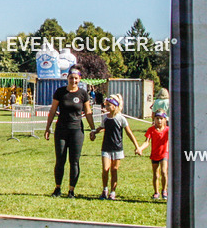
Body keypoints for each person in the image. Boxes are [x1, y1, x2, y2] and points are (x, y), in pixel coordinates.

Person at [44, 65, 97, 198]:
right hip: (61, 130)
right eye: (71, 78)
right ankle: (57, 188)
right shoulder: (60, 92)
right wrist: (47, 127)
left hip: (76, 131)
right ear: (67, 78)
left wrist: (92, 128)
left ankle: (71, 190)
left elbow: (88, 112)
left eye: (76, 78)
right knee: (60, 160)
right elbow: (52, 111)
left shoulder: (83, 93)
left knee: (74, 161)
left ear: (79, 79)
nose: (73, 81)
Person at [90, 93, 142, 199]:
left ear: (114, 106)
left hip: (117, 148)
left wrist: (137, 146)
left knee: (114, 169)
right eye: (106, 105)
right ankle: (105, 189)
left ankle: (113, 192)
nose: (106, 107)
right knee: (105, 169)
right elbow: (101, 128)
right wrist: (94, 132)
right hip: (106, 148)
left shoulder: (121, 119)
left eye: (109, 105)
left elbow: (129, 133)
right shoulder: (106, 119)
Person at [139, 111, 169, 200]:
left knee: (164, 172)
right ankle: (156, 192)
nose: (159, 121)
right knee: (156, 174)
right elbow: (146, 142)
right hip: (155, 154)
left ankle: (164, 190)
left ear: (164, 119)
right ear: (154, 119)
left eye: (161, 119)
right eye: (157, 118)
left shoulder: (168, 130)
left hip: (164, 154)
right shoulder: (151, 130)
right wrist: (140, 148)